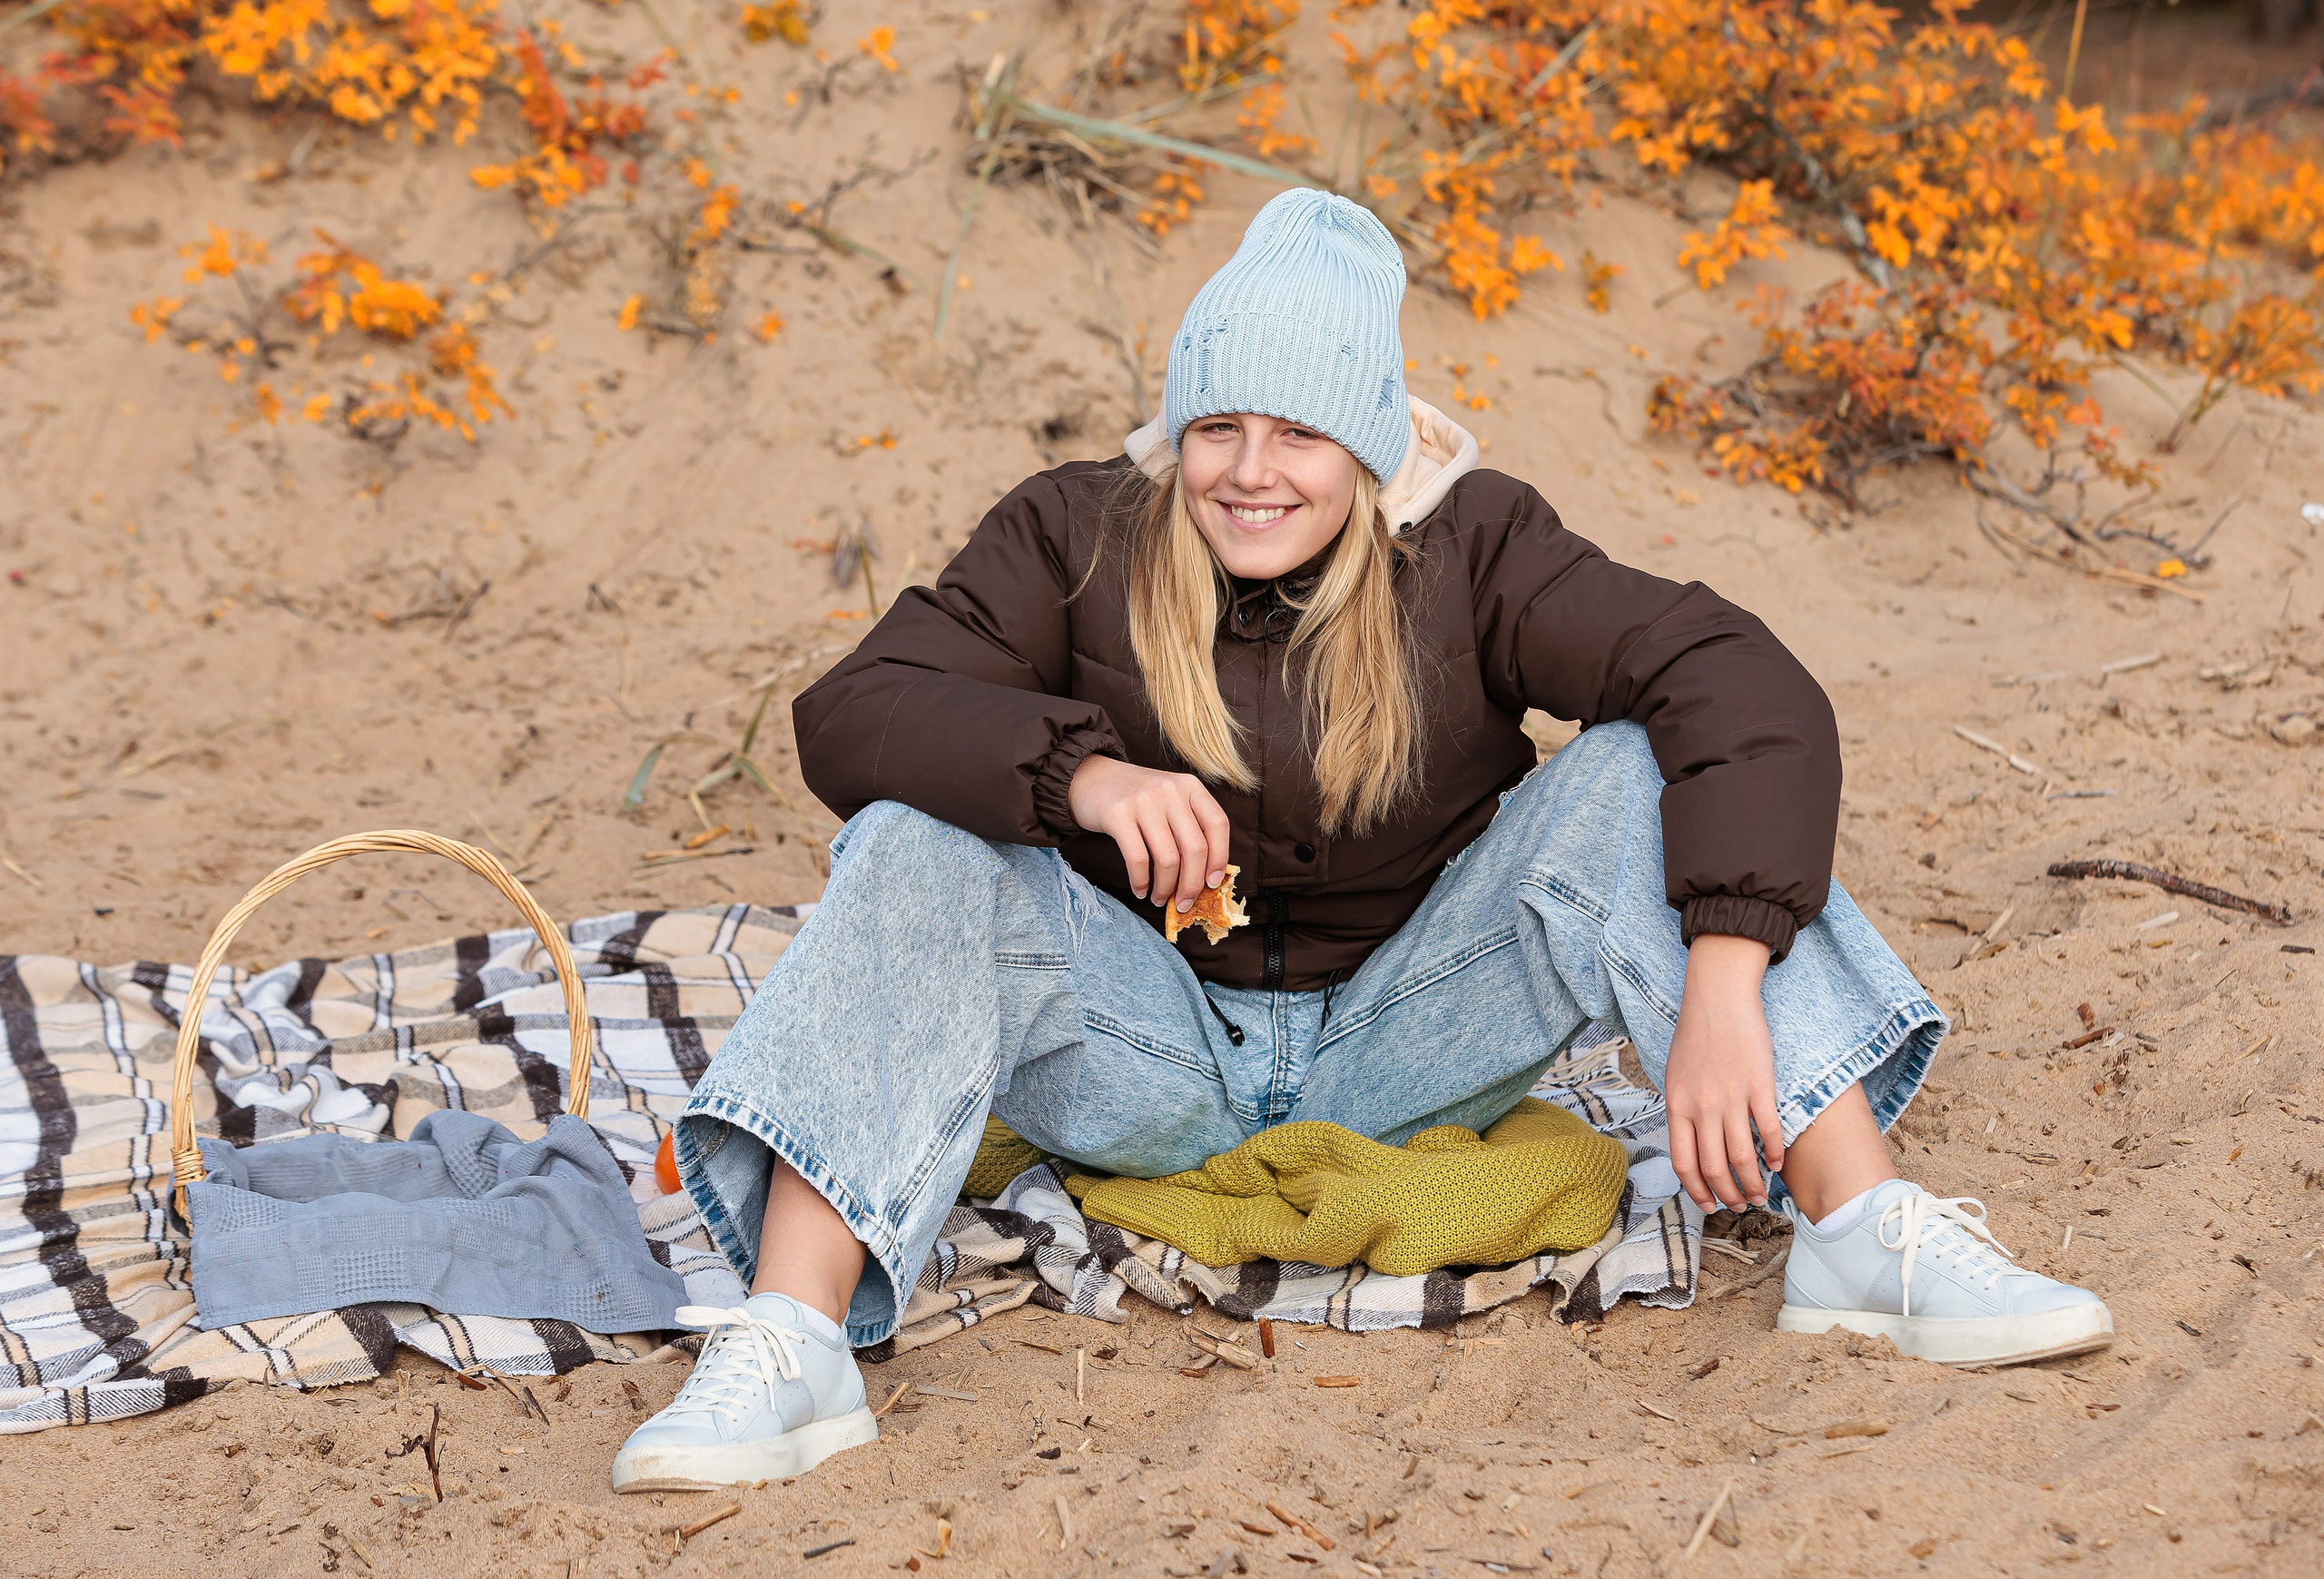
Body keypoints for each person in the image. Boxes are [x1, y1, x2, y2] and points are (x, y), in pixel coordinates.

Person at [606, 190, 2112, 1493]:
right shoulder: (1077, 533)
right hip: (1146, 1054)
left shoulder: (1475, 545)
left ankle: (1861, 1229)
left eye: (1300, 431)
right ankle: (796, 1345)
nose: (1251, 470)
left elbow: (1737, 678)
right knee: (914, 833)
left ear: (1372, 446)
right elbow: (856, 708)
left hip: (1410, 1038)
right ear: (1178, 429)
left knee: (1633, 769)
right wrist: (1080, 778)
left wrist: (1723, 978)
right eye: (1218, 425)